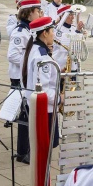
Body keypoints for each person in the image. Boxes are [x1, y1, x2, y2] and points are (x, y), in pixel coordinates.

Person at [7, 0, 43, 163]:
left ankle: (27, 147)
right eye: (37, 11)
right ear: (29, 13)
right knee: (24, 114)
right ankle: (22, 152)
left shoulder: (30, 30)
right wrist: (29, 61)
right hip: (19, 76)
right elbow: (12, 55)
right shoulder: (19, 32)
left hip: (26, 76)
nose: (39, 14)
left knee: (28, 113)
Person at [21, 16, 61, 163]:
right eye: (52, 31)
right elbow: (42, 90)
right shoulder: (41, 57)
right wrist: (60, 98)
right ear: (44, 33)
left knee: (42, 151)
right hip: (45, 110)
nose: (53, 34)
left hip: (40, 108)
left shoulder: (34, 49)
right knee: (44, 151)